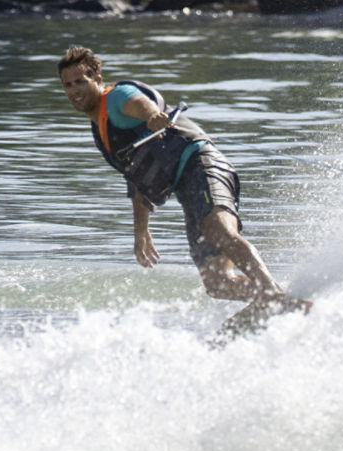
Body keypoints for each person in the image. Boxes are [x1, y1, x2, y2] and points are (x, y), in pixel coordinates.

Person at [56, 46, 300, 309]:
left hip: (202, 164)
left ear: (98, 80)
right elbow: (137, 177)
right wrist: (141, 231)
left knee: (219, 231)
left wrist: (152, 116)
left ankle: (273, 293)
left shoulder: (115, 98)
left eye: (81, 81)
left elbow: (140, 103)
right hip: (186, 188)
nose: (74, 90)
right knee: (217, 283)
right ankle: (278, 301)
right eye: (68, 85)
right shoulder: (102, 129)